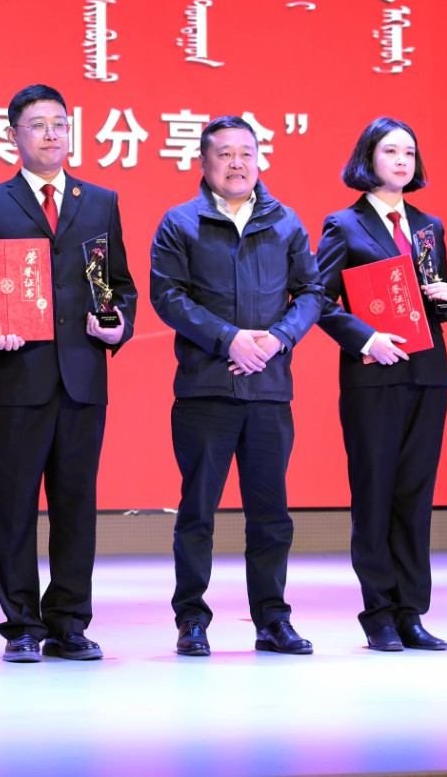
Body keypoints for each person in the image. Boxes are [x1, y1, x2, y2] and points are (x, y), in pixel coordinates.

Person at [0, 83, 136, 662]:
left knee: (76, 505)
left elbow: (120, 285)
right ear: (14, 135)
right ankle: (22, 626)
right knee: (12, 507)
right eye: (37, 124)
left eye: (59, 123)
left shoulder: (100, 201)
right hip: (16, 379)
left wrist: (119, 326)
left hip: (82, 378)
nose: (51, 134)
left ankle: (69, 623)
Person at [149, 115, 326, 658]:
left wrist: (278, 339)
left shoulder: (285, 221)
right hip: (205, 390)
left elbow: (312, 292)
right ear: (202, 162)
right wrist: (228, 338)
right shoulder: (181, 222)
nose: (237, 163)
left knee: (271, 515)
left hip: (269, 390)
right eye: (224, 153)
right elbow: (167, 296)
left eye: (246, 153)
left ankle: (272, 619)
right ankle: (191, 619)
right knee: (197, 514)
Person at [314, 117, 447, 652]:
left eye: (409, 153)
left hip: (428, 374)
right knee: (374, 493)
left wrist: (444, 299)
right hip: (373, 376)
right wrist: (366, 338)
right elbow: (319, 300)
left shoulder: (428, 226)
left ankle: (411, 612)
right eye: (391, 151)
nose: (402, 161)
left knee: (415, 496)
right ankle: (378, 614)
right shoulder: (343, 225)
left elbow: (436, 299)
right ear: (368, 158)